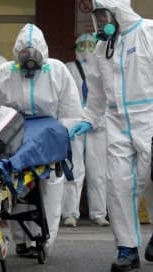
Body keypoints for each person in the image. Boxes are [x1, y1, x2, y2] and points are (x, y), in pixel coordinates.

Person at [83, 0, 153, 271]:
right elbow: (96, 92)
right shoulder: (102, 48)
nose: (100, 22)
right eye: (97, 18)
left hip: (152, 117)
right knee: (118, 185)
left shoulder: (152, 32)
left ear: (118, 12)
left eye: (104, 16)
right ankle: (127, 249)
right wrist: (88, 119)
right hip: (116, 123)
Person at [0, 23, 87, 258]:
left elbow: (70, 108)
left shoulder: (57, 71)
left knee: (51, 186)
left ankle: (45, 239)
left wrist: (65, 133)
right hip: (16, 135)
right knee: (16, 185)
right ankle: (22, 240)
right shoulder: (5, 73)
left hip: (48, 135)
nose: (30, 60)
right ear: (16, 54)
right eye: (24, 54)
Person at [61, 33, 110, 228]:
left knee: (98, 170)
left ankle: (99, 213)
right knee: (74, 169)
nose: (87, 48)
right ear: (75, 48)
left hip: (98, 122)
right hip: (75, 121)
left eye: (91, 44)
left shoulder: (103, 69)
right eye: (82, 45)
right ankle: (70, 213)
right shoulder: (68, 69)